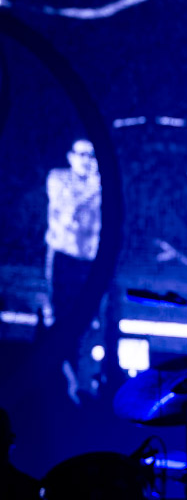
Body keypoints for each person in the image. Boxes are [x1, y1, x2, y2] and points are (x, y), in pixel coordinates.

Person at [42, 138, 102, 404]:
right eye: (82, 154)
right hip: (63, 257)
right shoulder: (58, 178)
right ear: (70, 157)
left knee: (89, 320)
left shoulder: (99, 184)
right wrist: (95, 185)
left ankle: (84, 382)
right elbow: (69, 211)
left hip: (89, 260)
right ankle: (62, 377)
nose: (88, 160)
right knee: (59, 316)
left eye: (92, 155)